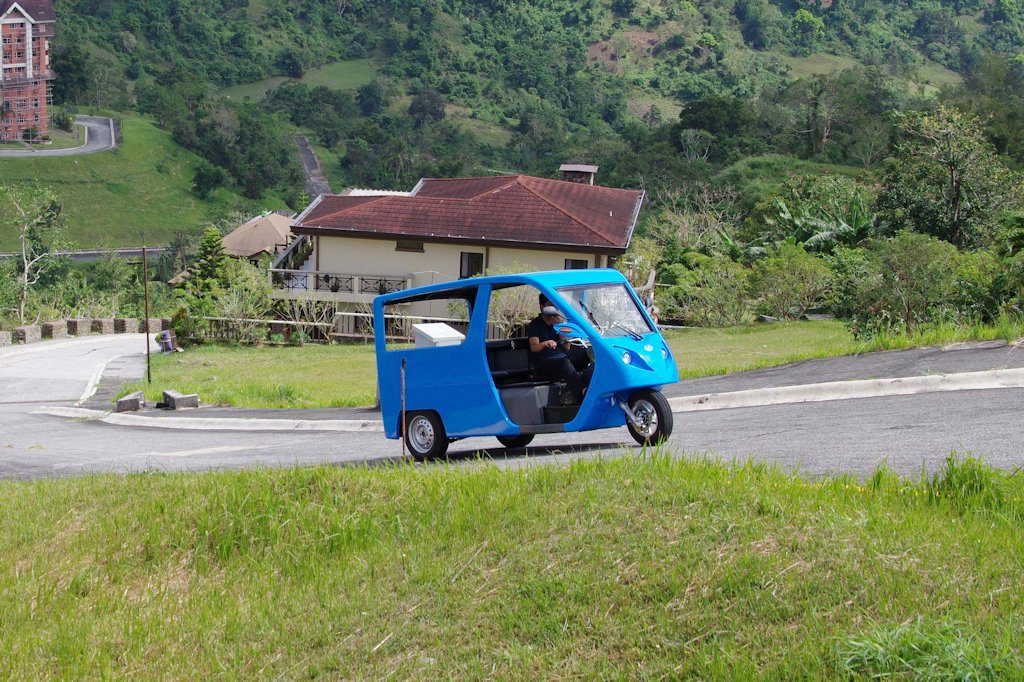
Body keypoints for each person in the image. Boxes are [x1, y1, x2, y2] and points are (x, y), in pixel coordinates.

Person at [527, 293, 592, 404]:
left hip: (562, 357)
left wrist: (561, 329)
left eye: (555, 306)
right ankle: (582, 393)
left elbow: (567, 347)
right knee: (564, 363)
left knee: (588, 352)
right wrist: (546, 343)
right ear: (542, 306)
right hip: (545, 362)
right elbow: (534, 347)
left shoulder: (558, 323)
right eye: (550, 305)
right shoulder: (535, 324)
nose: (554, 309)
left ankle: (593, 385)